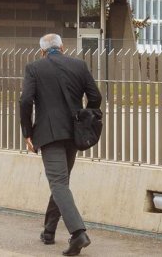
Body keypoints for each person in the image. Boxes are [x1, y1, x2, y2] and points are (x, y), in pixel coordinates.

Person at [18, 33, 102, 255]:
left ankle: (78, 234)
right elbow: (95, 96)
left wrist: (27, 131)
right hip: (74, 133)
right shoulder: (79, 65)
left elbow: (25, 100)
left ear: (42, 51)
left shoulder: (34, 67)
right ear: (62, 47)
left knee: (58, 183)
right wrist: (84, 117)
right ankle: (48, 232)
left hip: (49, 134)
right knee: (61, 182)